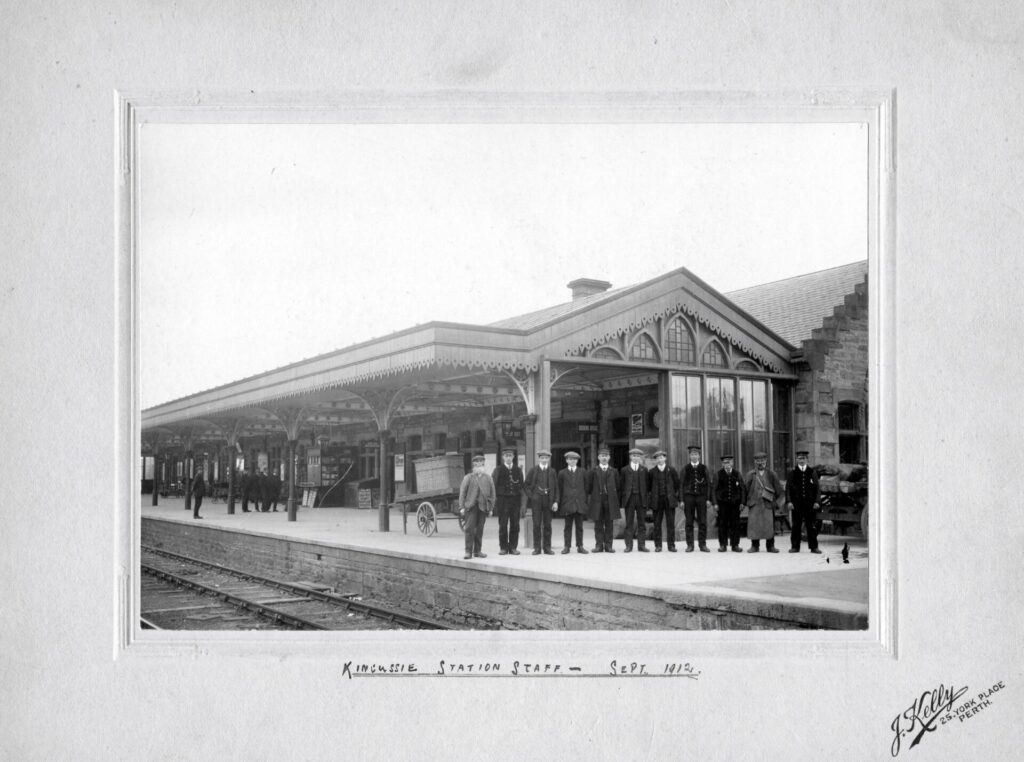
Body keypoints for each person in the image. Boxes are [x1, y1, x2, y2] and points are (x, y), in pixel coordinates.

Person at [744, 451, 783, 552]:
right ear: (754, 462)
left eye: (762, 460)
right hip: (754, 504)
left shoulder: (771, 474)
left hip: (768, 504)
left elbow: (780, 491)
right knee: (754, 525)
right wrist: (744, 503)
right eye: (758, 461)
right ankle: (754, 546)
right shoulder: (751, 474)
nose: (760, 463)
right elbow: (745, 490)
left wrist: (777, 504)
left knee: (769, 525)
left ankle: (770, 546)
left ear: (766, 461)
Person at [458, 454, 495, 559]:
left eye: (481, 463)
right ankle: (468, 551)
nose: (479, 465)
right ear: (474, 465)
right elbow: (462, 493)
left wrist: (491, 508)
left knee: (480, 529)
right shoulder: (468, 478)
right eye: (477, 463)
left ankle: (478, 551)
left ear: (484, 464)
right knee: (469, 529)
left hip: (483, 507)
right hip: (471, 506)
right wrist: (461, 507)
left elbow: (493, 494)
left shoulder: (488, 478)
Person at [524, 449, 559, 555]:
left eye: (546, 458)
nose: (544, 460)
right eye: (542, 458)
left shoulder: (552, 471)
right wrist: (532, 496)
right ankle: (537, 548)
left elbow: (556, 488)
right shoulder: (533, 470)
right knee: (536, 525)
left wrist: (556, 502)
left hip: (548, 501)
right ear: (539, 458)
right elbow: (526, 485)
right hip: (536, 501)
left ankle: (547, 547)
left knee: (548, 525)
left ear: (549, 459)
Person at [786, 450, 822, 553]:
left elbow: (817, 488)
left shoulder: (812, 472)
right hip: (796, 504)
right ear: (796, 460)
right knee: (796, 525)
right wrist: (789, 501)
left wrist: (817, 502)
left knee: (811, 525)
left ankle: (814, 547)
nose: (801, 460)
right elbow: (788, 488)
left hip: (810, 504)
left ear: (807, 460)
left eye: (803, 458)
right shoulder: (792, 473)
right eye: (799, 458)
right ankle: (795, 546)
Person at [491, 447, 525, 555]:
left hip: (515, 501)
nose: (508, 458)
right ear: (503, 457)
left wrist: (522, 503)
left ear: (513, 457)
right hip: (503, 501)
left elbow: (521, 486)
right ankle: (503, 548)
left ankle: (513, 547)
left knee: (515, 525)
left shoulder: (518, 470)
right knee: (503, 524)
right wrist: (495, 502)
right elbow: (493, 486)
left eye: (510, 456)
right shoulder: (498, 470)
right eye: (506, 456)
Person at [587, 445, 621, 553]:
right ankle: (599, 546)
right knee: (598, 525)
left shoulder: (614, 471)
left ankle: (608, 546)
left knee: (609, 524)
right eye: (602, 456)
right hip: (597, 501)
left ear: (609, 457)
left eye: (606, 456)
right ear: (598, 457)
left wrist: (616, 501)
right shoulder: (593, 471)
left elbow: (618, 487)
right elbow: (589, 487)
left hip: (610, 501)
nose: (604, 458)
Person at [680, 445, 713, 552]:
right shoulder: (685, 468)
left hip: (701, 497)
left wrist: (708, 499)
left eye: (696, 454)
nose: (694, 456)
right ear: (689, 456)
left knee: (702, 521)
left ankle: (702, 544)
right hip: (688, 497)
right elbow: (681, 485)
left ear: (699, 456)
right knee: (689, 522)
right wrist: (681, 500)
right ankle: (690, 545)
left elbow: (708, 484)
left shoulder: (704, 468)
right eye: (692, 454)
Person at [647, 450, 680, 552]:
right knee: (657, 524)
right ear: (655, 460)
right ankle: (658, 545)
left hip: (669, 500)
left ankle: (671, 545)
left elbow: (677, 485)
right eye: (657, 458)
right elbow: (649, 487)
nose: (660, 459)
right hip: (657, 500)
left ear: (665, 458)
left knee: (670, 524)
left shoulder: (672, 470)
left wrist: (673, 496)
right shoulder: (652, 472)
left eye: (662, 457)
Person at [556, 451, 589, 554]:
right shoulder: (562, 473)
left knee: (580, 526)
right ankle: (567, 546)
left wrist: (583, 499)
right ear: (566, 460)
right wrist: (563, 502)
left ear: (577, 461)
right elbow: (560, 488)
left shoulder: (583, 471)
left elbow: (586, 487)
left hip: (579, 503)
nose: (572, 461)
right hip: (567, 504)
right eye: (570, 459)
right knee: (567, 526)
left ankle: (580, 546)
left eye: (574, 459)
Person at [619, 447, 650, 552]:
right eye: (634, 456)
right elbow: (621, 485)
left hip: (641, 499)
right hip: (629, 498)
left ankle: (641, 545)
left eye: (638, 456)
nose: (636, 458)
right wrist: (622, 501)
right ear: (630, 457)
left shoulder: (644, 470)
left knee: (642, 523)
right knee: (629, 523)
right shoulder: (624, 470)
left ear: (640, 457)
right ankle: (629, 545)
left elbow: (647, 485)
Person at [713, 454, 745, 552]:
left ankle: (735, 544)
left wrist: (742, 502)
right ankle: (723, 544)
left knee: (735, 524)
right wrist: (715, 503)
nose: (727, 464)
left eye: (729, 462)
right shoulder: (718, 474)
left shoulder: (737, 474)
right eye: (725, 462)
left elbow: (742, 489)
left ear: (733, 463)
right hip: (722, 504)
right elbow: (713, 490)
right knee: (722, 524)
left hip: (735, 504)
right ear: (722, 464)